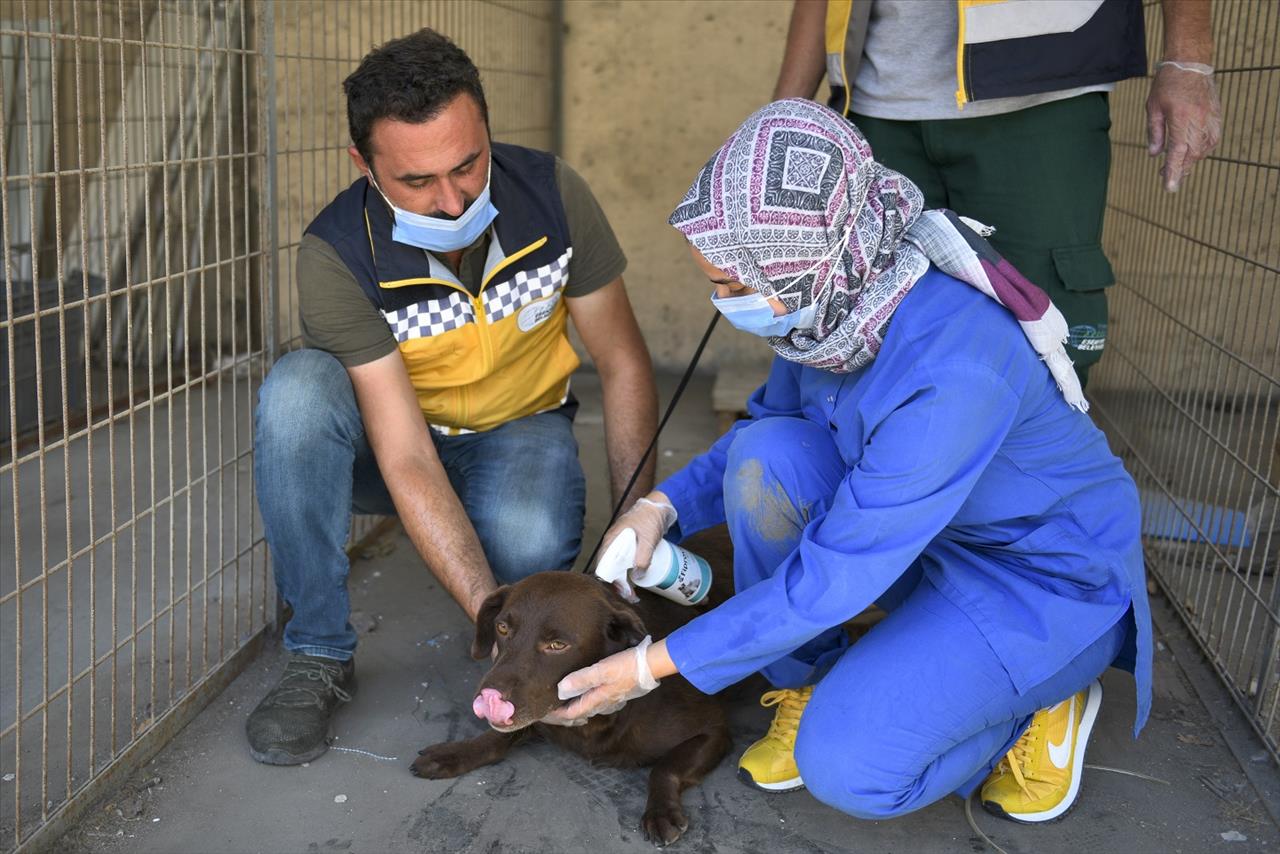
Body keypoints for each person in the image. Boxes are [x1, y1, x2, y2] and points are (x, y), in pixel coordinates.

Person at [546, 99, 1152, 827]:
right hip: (926, 544)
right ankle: (815, 677)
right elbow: (764, 433)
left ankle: (1043, 697)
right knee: (766, 456)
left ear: (807, 261)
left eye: (735, 285)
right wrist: (660, 508)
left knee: (851, 769)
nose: (721, 300)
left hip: (1035, 579)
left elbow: (833, 576)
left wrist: (646, 667)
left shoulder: (952, 369)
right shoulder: (834, 314)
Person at [245, 29, 657, 766]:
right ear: (364, 166)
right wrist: (490, 616)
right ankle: (315, 652)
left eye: (468, 164)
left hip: (520, 426)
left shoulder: (554, 196)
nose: (452, 198)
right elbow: (403, 454)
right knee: (296, 395)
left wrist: (633, 542)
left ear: (488, 131)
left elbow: (623, 362)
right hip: (398, 441)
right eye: (416, 181)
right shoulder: (336, 253)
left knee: (529, 544)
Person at [771, 0, 1222, 385]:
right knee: (865, 353)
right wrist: (778, 123)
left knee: (1046, 355)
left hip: (1042, 93)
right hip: (873, 106)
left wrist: (1188, 60)